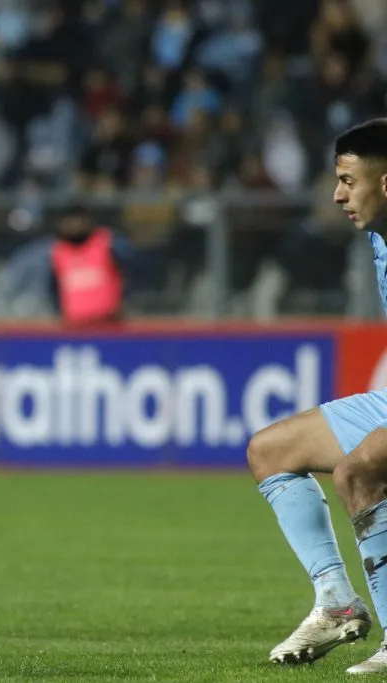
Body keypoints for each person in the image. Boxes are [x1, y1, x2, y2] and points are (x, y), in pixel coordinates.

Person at [247, 118, 387, 673]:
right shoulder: (380, 235)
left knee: (359, 472)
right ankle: (336, 602)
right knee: (271, 450)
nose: (337, 194)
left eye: (349, 180)